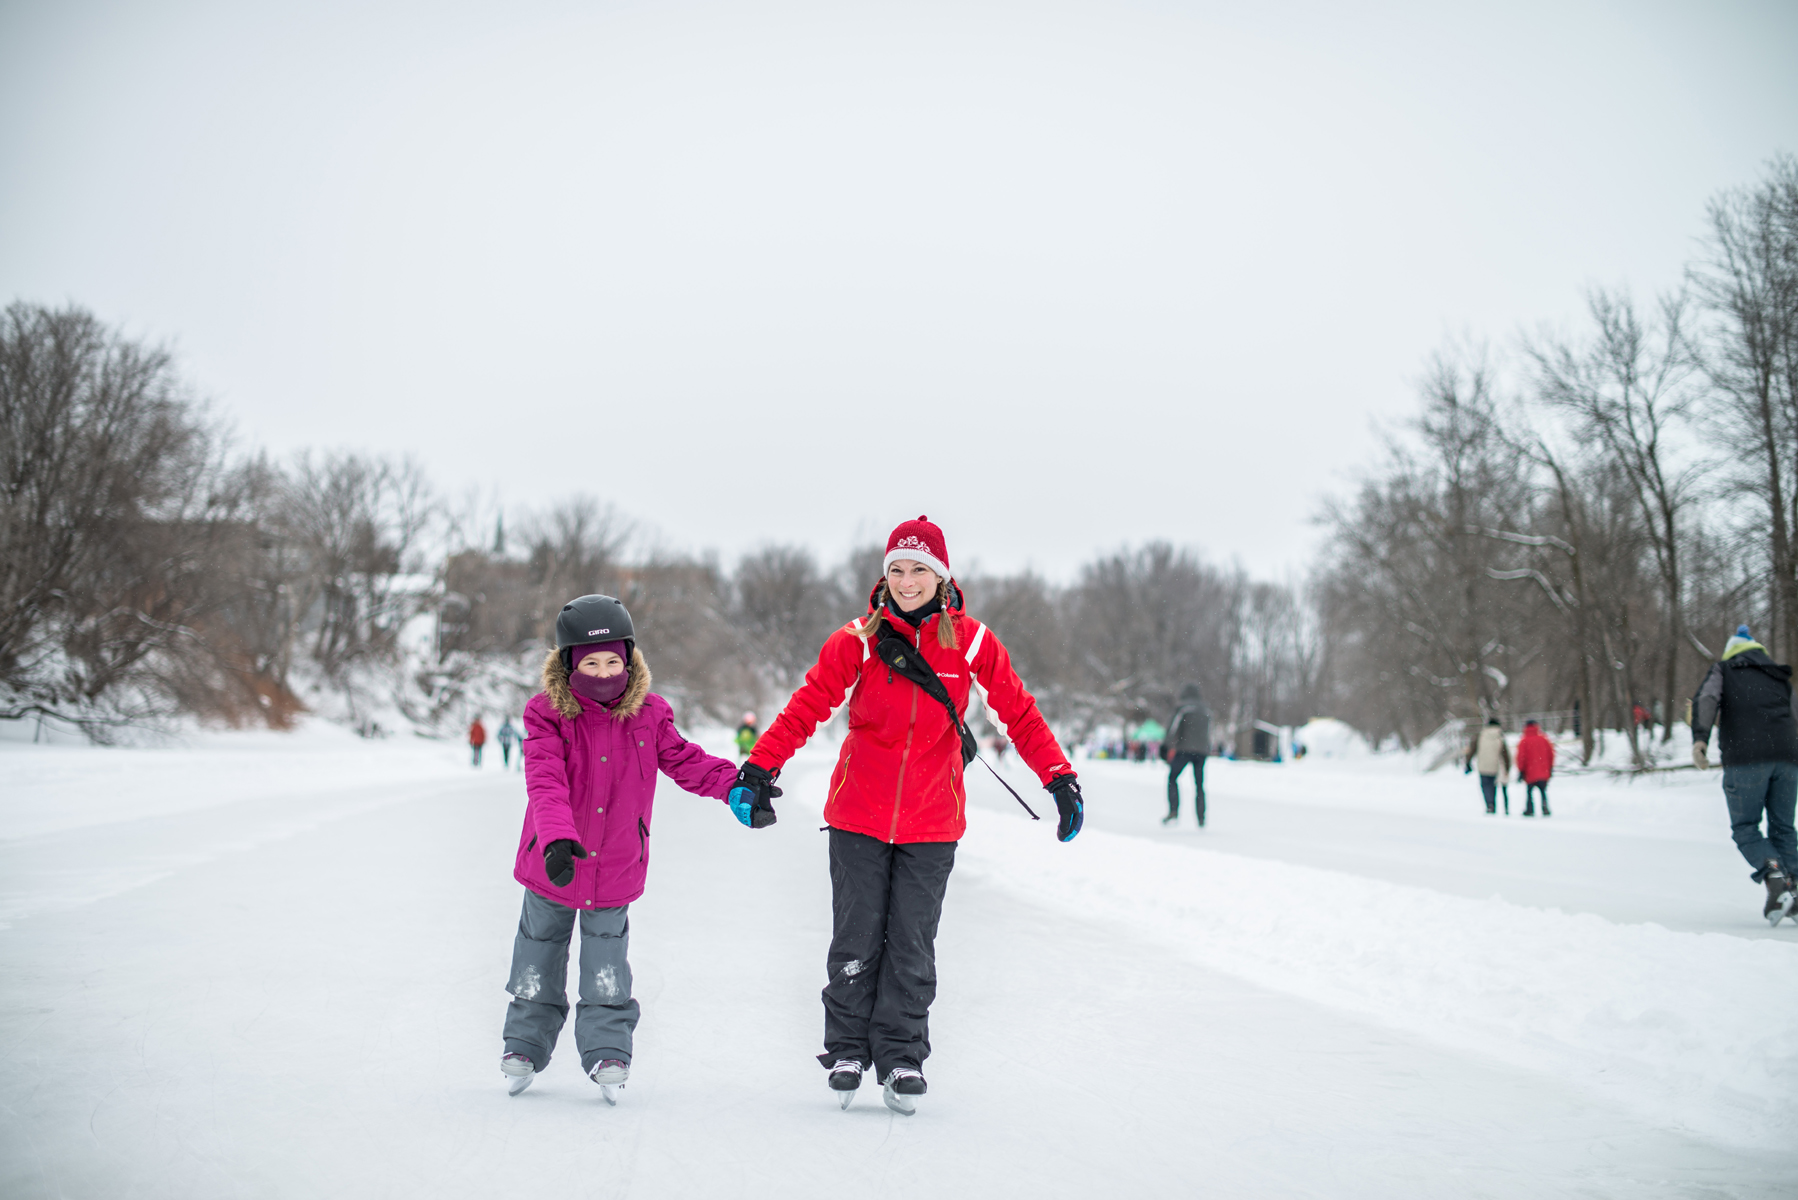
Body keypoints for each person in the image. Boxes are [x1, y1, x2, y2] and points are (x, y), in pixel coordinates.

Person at [727, 515, 1083, 1116]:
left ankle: (900, 1056)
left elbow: (1018, 712)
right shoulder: (857, 641)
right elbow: (808, 704)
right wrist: (759, 768)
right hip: (859, 814)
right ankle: (846, 1051)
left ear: (941, 578)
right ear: (884, 574)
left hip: (932, 820)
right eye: (897, 569)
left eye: (920, 569)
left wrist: (1060, 777)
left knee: (912, 945)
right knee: (856, 937)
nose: (907, 580)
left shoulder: (970, 641)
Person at [499, 594, 745, 1099]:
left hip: (614, 866)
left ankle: (607, 1049)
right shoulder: (547, 714)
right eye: (591, 662)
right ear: (569, 663)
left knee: (606, 962)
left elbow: (685, 761)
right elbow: (545, 781)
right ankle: (524, 1042)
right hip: (553, 862)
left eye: (614, 661)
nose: (605, 672)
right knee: (538, 955)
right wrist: (557, 839)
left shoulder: (649, 714)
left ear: (629, 659)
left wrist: (734, 786)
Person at [1691, 625, 1798, 927]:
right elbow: (1794, 713)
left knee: (1746, 827)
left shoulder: (1725, 670)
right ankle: (1794, 886)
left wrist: (1700, 739)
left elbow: (1706, 699)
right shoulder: (1778, 674)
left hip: (1746, 758)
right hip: (1788, 759)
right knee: (1784, 828)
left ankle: (1773, 873)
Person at [1164, 682, 1211, 827]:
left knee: (1173, 778)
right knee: (1199, 785)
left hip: (1184, 749)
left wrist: (1166, 746)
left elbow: (1172, 728)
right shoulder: (1206, 710)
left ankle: (1173, 811)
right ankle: (1201, 817)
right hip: (1202, 751)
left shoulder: (1182, 707)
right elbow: (1208, 731)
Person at [1463, 718, 1511, 815]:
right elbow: (1505, 754)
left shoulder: (1480, 736)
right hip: (1495, 766)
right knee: (1493, 786)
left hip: (1483, 766)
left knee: (1485, 786)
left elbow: (1472, 750)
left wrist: (1468, 762)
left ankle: (1490, 804)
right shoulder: (1499, 736)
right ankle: (1494, 804)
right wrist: (1507, 767)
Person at [1515, 719, 1554, 817]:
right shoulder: (1544, 739)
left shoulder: (1524, 741)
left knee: (1529, 792)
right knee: (1543, 791)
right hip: (1542, 771)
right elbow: (1551, 754)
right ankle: (1545, 807)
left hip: (1530, 772)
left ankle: (1530, 809)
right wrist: (1550, 767)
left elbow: (1521, 757)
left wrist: (1521, 770)